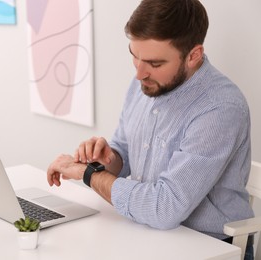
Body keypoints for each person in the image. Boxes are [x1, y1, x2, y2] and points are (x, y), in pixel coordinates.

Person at [47, 0, 254, 259]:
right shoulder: (147, 83)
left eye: (155, 64)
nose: (139, 74)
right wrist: (105, 159)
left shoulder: (220, 108)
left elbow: (164, 207)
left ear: (194, 55)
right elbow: (125, 156)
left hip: (209, 246)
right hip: (148, 233)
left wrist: (89, 175)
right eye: (135, 56)